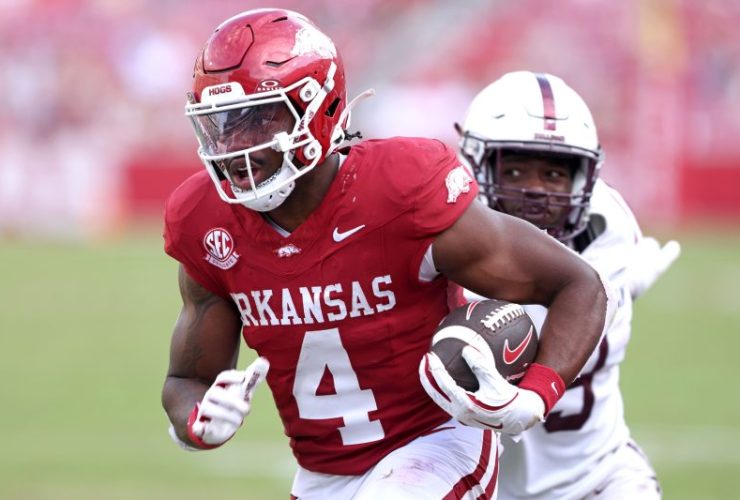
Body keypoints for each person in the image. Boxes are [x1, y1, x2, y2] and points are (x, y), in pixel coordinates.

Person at [161, 10, 614, 499]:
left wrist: (537, 395)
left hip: (436, 442)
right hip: (322, 475)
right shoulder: (206, 222)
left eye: (257, 119)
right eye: (222, 124)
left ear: (319, 109)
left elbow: (577, 284)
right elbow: (187, 378)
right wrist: (197, 420)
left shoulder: (399, 190)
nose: (235, 146)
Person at [456, 70, 680, 499]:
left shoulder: (605, 227)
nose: (536, 191)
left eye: (554, 175)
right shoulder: (443, 233)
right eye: (515, 171)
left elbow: (556, 317)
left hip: (595, 475)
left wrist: (615, 290)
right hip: (474, 482)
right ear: (473, 162)